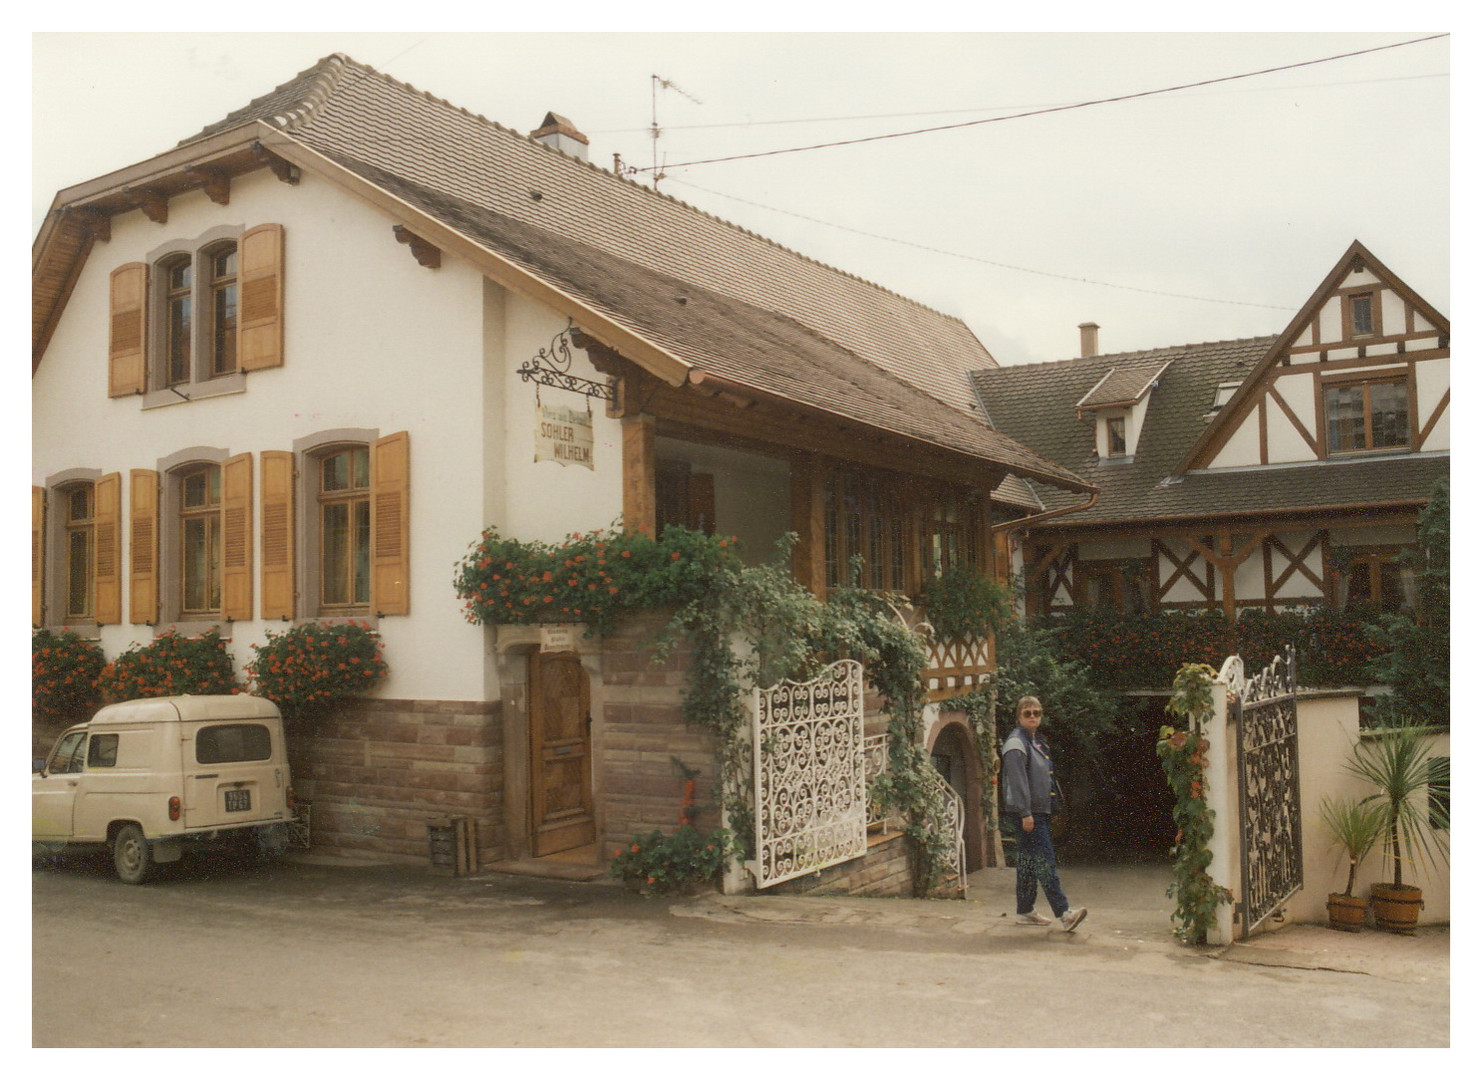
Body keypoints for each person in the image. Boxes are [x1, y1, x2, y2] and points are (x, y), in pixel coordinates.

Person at [1001, 694, 1088, 932]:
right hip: (1029, 814)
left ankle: (1025, 911)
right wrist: (1025, 813)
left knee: (1030, 862)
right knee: (1044, 861)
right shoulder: (1016, 744)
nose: (1032, 717)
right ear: (1019, 717)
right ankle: (1065, 913)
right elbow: (1017, 783)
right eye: (1027, 713)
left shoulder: (1036, 742)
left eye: (1036, 713)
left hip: (1039, 812)